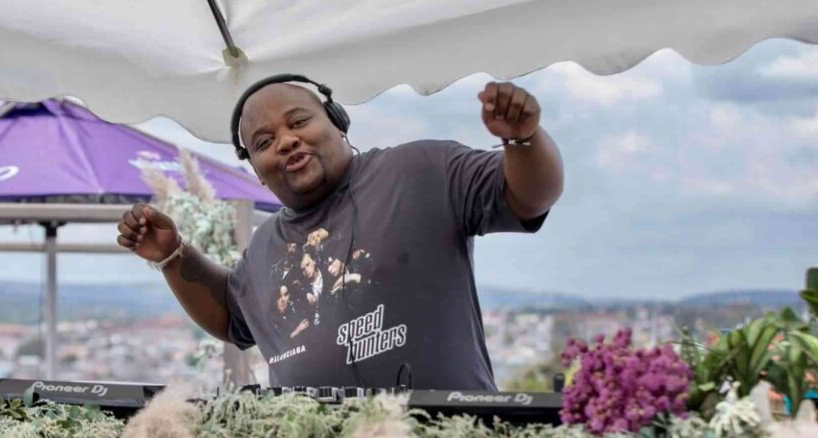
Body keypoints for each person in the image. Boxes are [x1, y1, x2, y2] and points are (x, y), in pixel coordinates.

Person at [117, 74, 564, 390]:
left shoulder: (422, 169)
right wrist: (174, 256)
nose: (286, 141)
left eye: (298, 122)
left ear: (337, 121)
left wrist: (523, 140)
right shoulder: (264, 247)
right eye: (264, 142)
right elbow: (234, 320)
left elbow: (528, 197)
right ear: (256, 170)